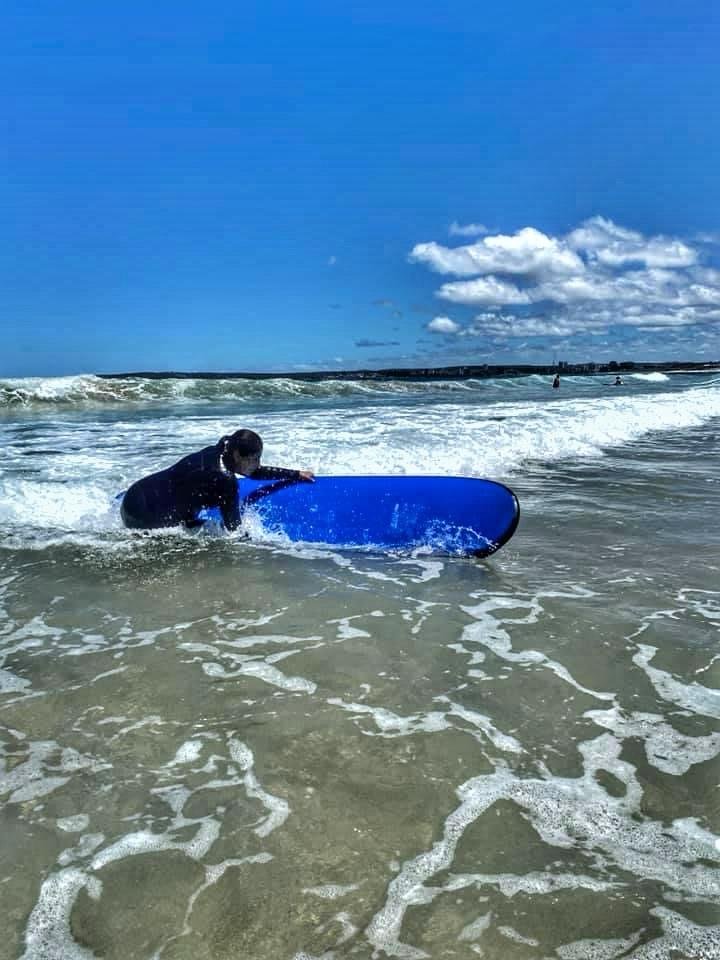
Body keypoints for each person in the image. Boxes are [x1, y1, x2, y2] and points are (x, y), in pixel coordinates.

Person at [120, 429, 314, 532]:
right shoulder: (225, 481)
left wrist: (295, 474)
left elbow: (254, 472)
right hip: (144, 517)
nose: (258, 463)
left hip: (134, 496)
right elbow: (233, 530)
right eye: (254, 458)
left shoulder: (224, 447)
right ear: (238, 455)